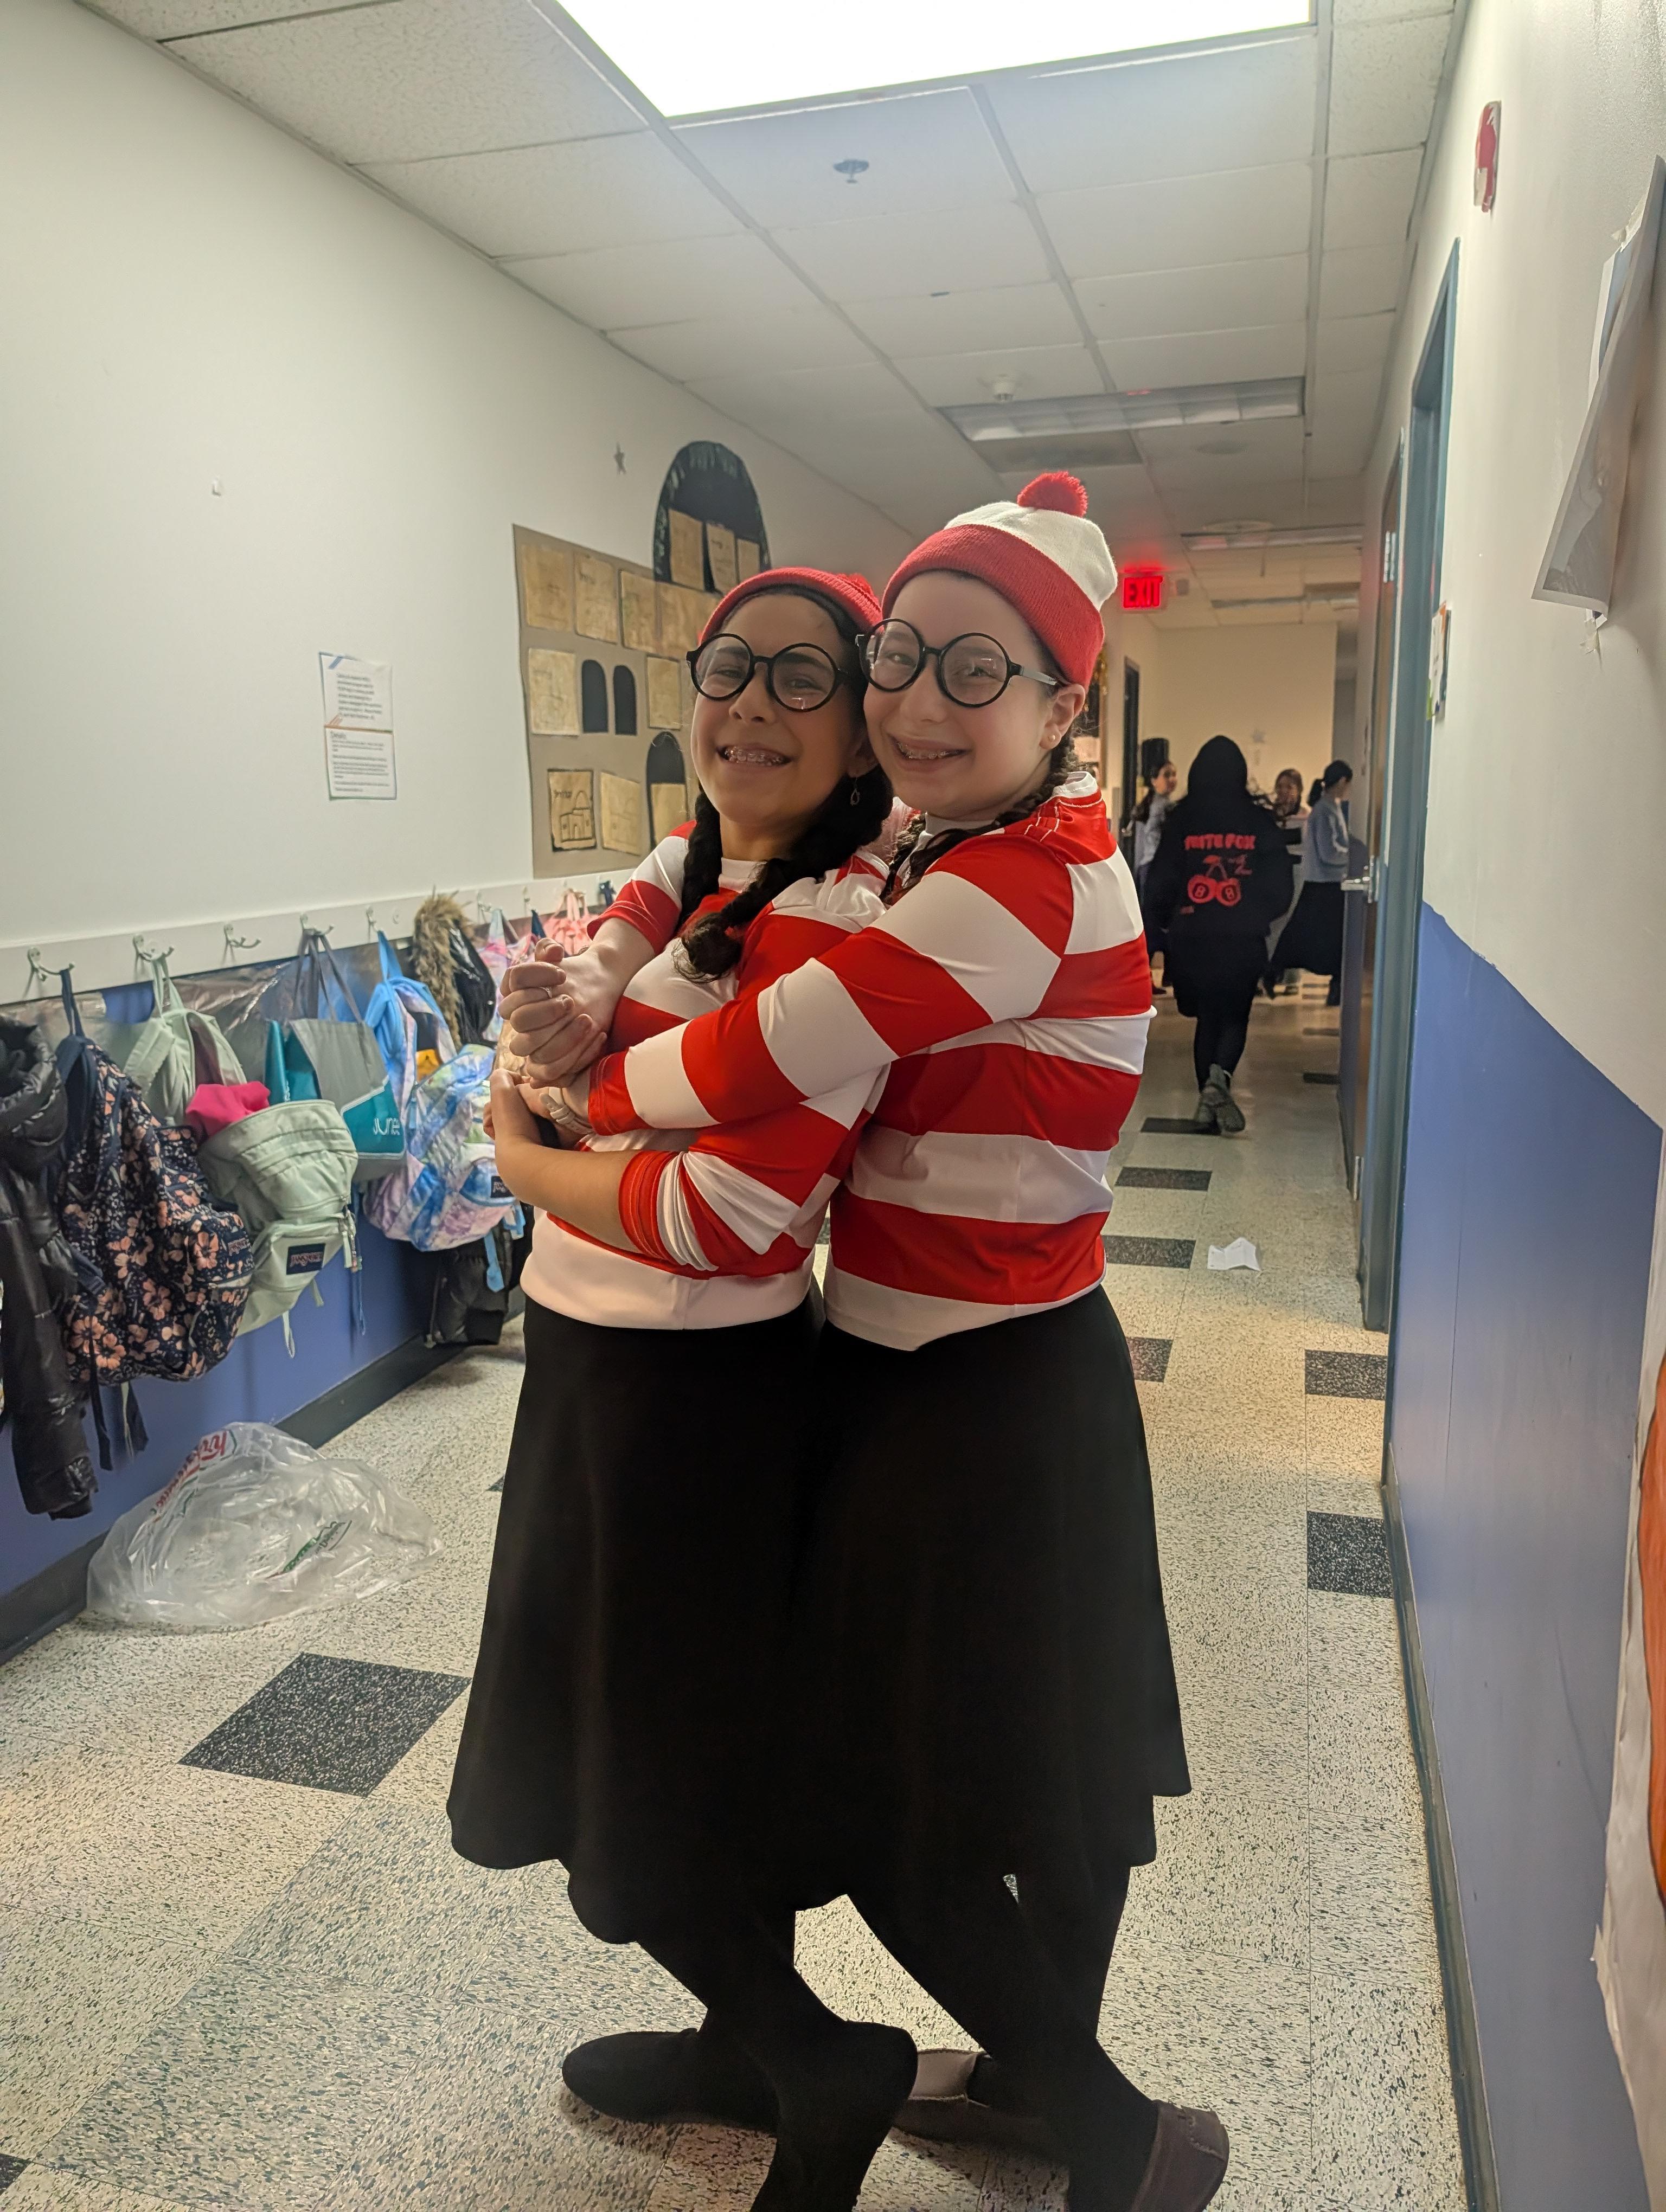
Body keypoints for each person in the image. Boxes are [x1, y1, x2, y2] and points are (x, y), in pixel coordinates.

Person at [506, 474, 1223, 2212]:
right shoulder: (940, 840)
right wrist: (595, 986)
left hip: (980, 1390)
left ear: (1065, 701)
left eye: (975, 670)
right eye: (899, 656)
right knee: (1043, 1771)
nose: (915, 700)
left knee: (923, 1808)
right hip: (955, 1367)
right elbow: (690, 894)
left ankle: (1109, 2128)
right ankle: (1030, 2089)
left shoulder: (1015, 886)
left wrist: (547, 1117)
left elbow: (747, 1068)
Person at [448, 565, 926, 2212]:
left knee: (645, 1765)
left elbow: (734, 1211)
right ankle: (737, 2045)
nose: (749, 705)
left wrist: (525, 1149)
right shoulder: (688, 870)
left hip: (693, 1392)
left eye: (804, 677)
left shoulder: (843, 920)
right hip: (596, 1356)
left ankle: (818, 2056)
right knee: (674, 1739)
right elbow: (553, 1046)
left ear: (862, 720)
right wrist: (549, 1057)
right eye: (729, 666)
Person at [1142, 736, 1293, 1134]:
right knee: (1235, 1014)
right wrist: (1258, 914)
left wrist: (1165, 922)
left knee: (1207, 1017)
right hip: (1242, 937)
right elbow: (1280, 885)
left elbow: (1161, 879)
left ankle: (1207, 1105)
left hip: (1192, 936)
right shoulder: (1259, 822)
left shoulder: (1182, 820)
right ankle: (1220, 1078)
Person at [1270, 758, 1353, 1007]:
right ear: (1342, 782)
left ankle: (1277, 971)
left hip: (1327, 882)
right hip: (1323, 884)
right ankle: (1273, 970)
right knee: (1303, 936)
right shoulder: (1324, 810)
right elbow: (1328, 852)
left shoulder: (1329, 808)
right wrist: (1352, 857)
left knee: (1306, 936)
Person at [1130, 754, 1177, 995]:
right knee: (1158, 923)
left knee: (1151, 922)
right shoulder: (1163, 806)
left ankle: (1151, 977)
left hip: (1148, 868)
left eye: (1174, 774)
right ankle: (1154, 977)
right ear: (1154, 780)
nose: (1172, 779)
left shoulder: (1149, 806)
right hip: (1157, 869)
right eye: (1167, 775)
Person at [1261, 768, 1307, 996]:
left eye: (1289, 787)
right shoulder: (1269, 816)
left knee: (1293, 921)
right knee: (1271, 923)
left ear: (1299, 790)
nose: (1284, 791)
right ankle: (1264, 973)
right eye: (1280, 786)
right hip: (1274, 873)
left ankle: (1292, 978)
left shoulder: (1306, 816)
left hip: (1298, 872)